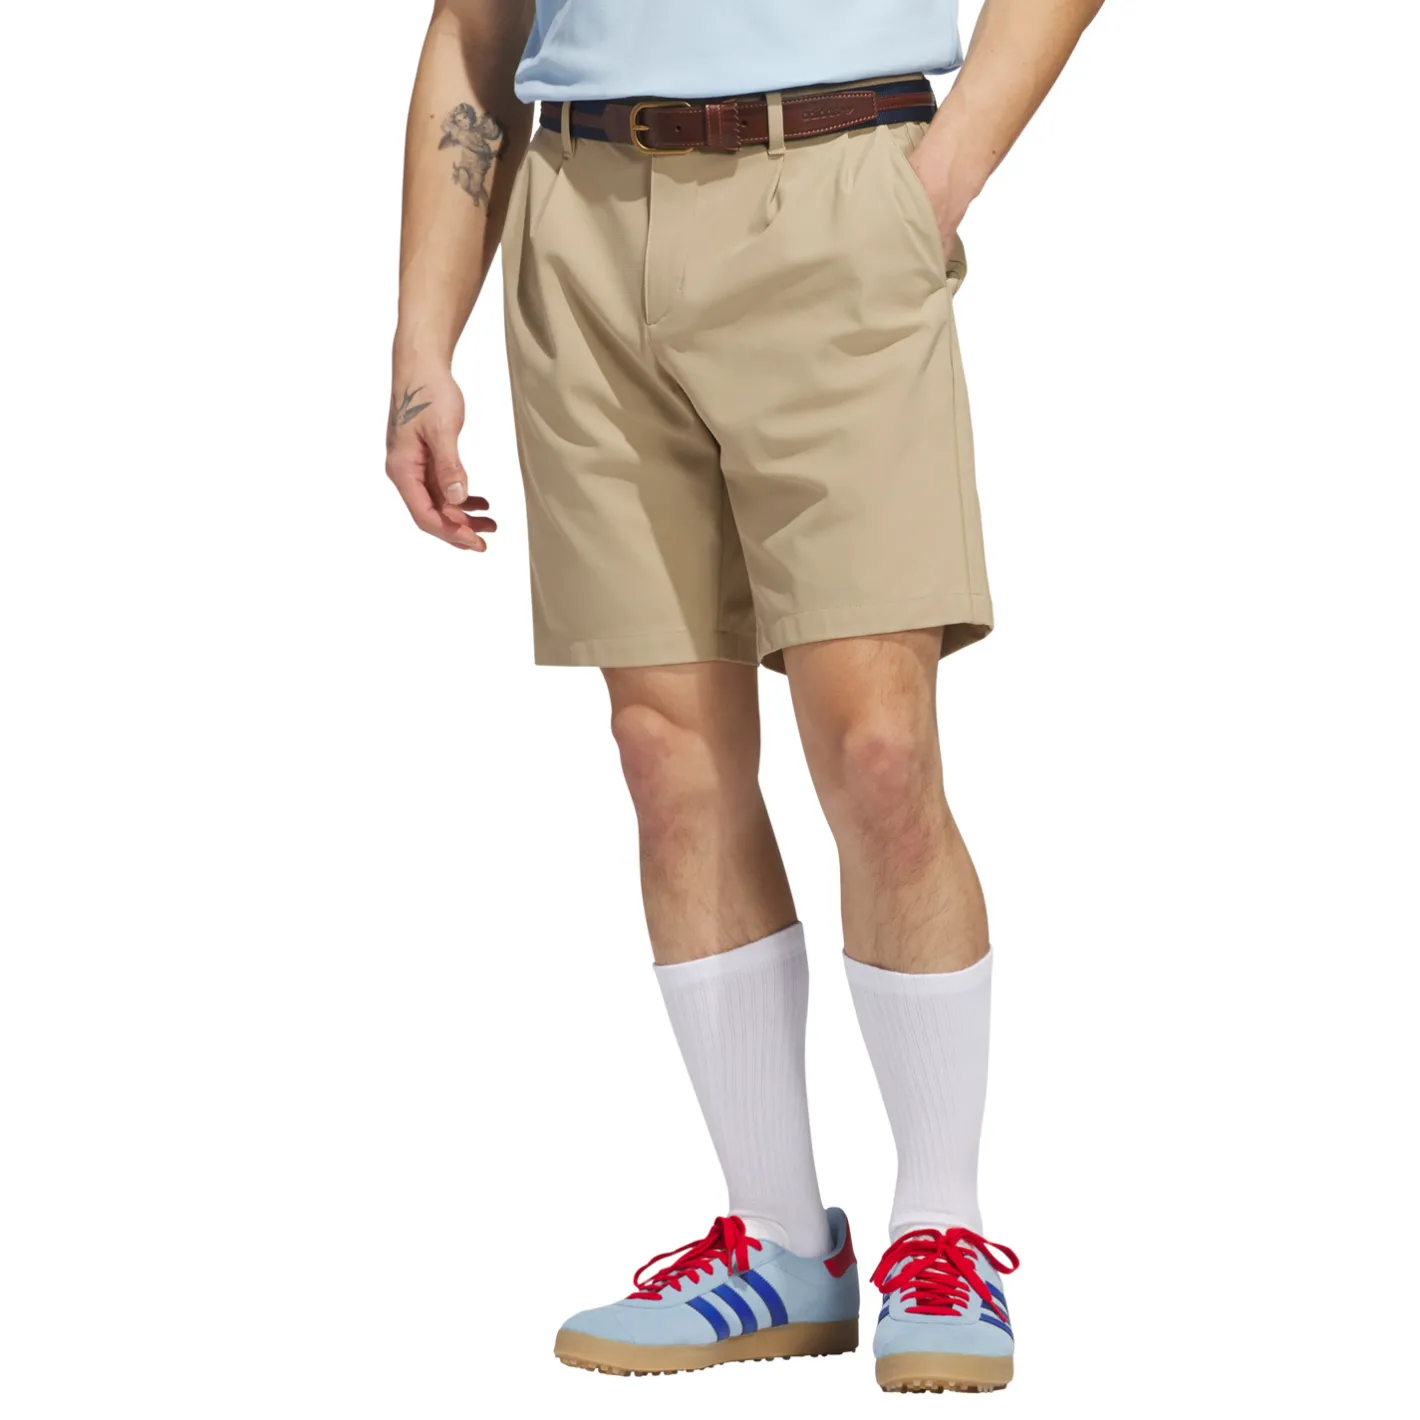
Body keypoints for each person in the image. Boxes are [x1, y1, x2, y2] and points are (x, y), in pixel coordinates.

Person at [386, 0, 1103, 1394]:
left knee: (879, 748)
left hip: (836, 184)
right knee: (666, 758)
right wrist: (423, 346)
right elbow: (473, 26)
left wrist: (940, 176)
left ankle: (942, 1231)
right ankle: (779, 1246)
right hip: (583, 219)